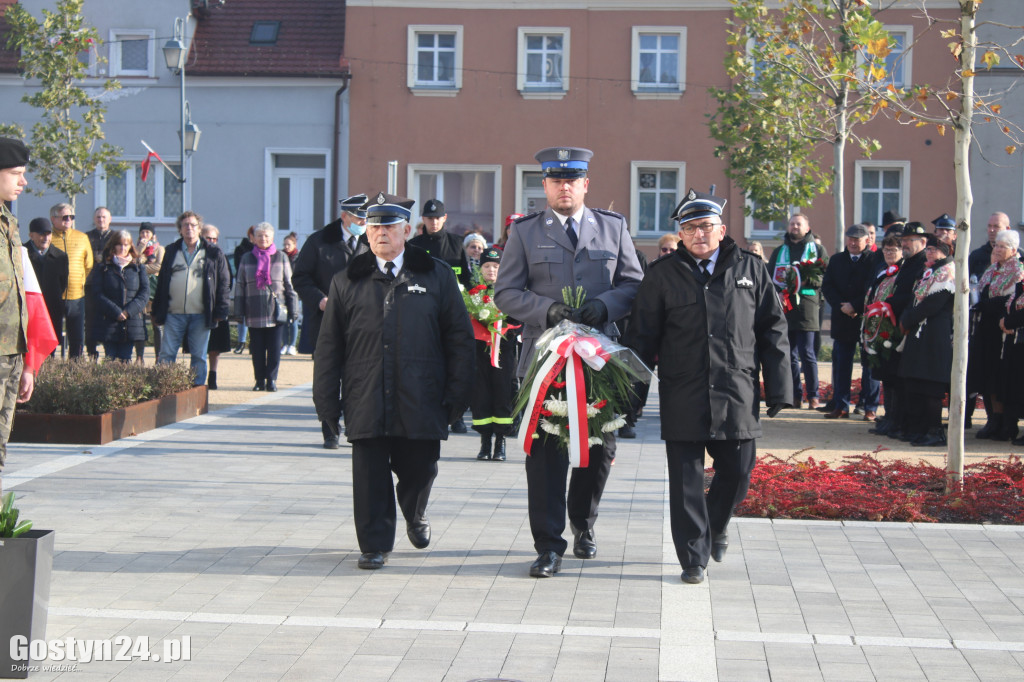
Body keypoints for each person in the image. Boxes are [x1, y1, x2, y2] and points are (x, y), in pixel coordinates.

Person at [624, 189, 791, 584]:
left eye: (705, 226)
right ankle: (692, 558)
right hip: (684, 391)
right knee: (686, 481)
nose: (698, 234)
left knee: (739, 471)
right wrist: (629, 398)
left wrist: (780, 388)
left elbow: (773, 329)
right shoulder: (662, 275)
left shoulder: (750, 268)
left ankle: (716, 525)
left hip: (736, 390)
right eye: (689, 228)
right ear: (680, 234)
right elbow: (642, 338)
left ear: (721, 229)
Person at [493, 146, 643, 578]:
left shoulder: (612, 228)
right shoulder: (524, 232)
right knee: (545, 454)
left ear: (585, 185)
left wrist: (606, 306)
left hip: (599, 361)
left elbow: (634, 283)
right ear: (544, 186)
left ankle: (583, 522)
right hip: (545, 358)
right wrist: (547, 310)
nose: (564, 187)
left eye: (572, 180)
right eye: (556, 180)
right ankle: (548, 545)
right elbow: (506, 292)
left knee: (599, 451)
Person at [312, 192, 474, 570]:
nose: (381, 233)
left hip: (421, 395)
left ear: (406, 230)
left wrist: (458, 393)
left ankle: (414, 511)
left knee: (420, 468)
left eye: (389, 226)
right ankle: (374, 543)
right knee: (369, 474)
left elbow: (459, 339)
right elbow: (329, 347)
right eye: (374, 227)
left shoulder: (436, 275)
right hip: (365, 393)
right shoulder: (346, 281)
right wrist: (326, 403)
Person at [292, 193, 368, 448]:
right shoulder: (319, 241)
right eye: (358, 218)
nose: (363, 222)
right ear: (344, 216)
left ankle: (355, 426)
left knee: (357, 378)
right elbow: (300, 278)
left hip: (360, 323)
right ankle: (330, 427)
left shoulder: (371, 241)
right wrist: (319, 299)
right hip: (325, 322)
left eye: (365, 218)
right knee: (327, 378)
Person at [410, 198, 473, 434]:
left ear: (444, 218)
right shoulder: (414, 245)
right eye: (429, 218)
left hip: (451, 313)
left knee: (453, 361)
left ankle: (456, 415)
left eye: (437, 218)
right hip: (423, 313)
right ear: (423, 219)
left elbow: (466, 279)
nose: (434, 222)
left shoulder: (456, 244)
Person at [0, 138, 41, 490]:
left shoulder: (9, 223)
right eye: (16, 173)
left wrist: (26, 364)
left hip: (11, 352)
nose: (23, 181)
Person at [152, 211, 231, 387]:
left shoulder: (213, 252)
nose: (189, 228)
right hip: (173, 313)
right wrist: (157, 310)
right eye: (185, 225)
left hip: (201, 314)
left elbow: (224, 283)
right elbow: (162, 281)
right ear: (180, 229)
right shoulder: (171, 250)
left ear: (199, 229)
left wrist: (221, 310)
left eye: (193, 225)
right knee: (167, 354)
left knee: (198, 356)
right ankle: (163, 388)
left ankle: (196, 392)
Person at [899, 235, 956, 446]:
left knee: (931, 384)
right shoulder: (928, 271)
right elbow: (914, 298)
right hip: (919, 333)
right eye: (929, 249)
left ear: (945, 252)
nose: (930, 252)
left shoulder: (947, 271)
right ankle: (920, 428)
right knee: (916, 382)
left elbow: (933, 304)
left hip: (935, 334)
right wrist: (906, 317)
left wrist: (908, 319)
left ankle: (934, 431)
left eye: (934, 249)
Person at [768, 213, 828, 409]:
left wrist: (803, 279)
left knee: (807, 353)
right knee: (789, 355)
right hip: (785, 308)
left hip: (807, 307)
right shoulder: (779, 251)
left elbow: (825, 276)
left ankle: (813, 396)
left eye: (798, 224)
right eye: (792, 224)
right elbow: (769, 278)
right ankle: (795, 395)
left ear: (807, 227)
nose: (794, 227)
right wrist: (779, 292)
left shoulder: (817, 250)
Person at [968, 229, 1024, 440]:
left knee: (1002, 377)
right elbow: (981, 291)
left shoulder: (1018, 269)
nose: (998, 249)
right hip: (986, 329)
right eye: (996, 245)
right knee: (988, 375)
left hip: (1004, 330)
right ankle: (993, 420)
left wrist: (985, 305)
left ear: (1013, 250)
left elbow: (1011, 300)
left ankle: (1006, 423)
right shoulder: (992, 269)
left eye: (1003, 246)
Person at [821, 224, 877, 420]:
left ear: (867, 241)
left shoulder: (874, 260)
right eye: (850, 239)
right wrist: (842, 306)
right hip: (842, 317)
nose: (853, 243)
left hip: (866, 318)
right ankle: (841, 405)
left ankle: (870, 407)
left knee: (870, 365)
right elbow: (828, 286)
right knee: (841, 364)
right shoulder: (837, 259)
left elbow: (874, 287)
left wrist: (856, 306)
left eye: (857, 240)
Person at [233, 222, 298, 392]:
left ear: (272, 237)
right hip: (253, 310)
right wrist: (238, 311)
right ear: (253, 238)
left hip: (275, 311)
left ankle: (272, 380)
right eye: (259, 235)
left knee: (274, 349)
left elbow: (289, 285)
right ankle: (259, 380)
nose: (263, 238)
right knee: (257, 350)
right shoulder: (247, 258)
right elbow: (240, 286)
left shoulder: (281, 257)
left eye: (266, 235)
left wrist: (293, 310)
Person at [469, 247, 517, 462]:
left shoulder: (510, 292)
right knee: (481, 393)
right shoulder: (474, 293)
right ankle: (485, 441)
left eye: (496, 267)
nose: (491, 270)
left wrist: (506, 324)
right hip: (480, 351)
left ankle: (500, 441)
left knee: (502, 392)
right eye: (487, 266)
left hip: (504, 350)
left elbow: (518, 318)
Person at [863, 235, 905, 437]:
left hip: (892, 329)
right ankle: (888, 416)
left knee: (892, 375)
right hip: (878, 329)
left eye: (893, 250)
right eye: (886, 250)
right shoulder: (883, 270)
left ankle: (895, 419)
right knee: (884, 376)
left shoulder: (902, 271)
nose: (889, 253)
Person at [87, 230, 148, 362]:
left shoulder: (138, 267)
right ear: (113, 246)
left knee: (125, 359)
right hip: (109, 320)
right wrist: (116, 311)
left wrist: (128, 311)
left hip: (131, 321)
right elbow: (97, 293)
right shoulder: (103, 267)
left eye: (126, 245)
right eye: (119, 244)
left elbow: (144, 293)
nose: (122, 248)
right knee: (110, 359)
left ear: (130, 246)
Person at [49, 202, 93, 358]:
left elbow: (88, 265)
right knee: (51, 336)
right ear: (53, 219)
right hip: (53, 296)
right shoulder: (48, 238)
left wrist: (78, 281)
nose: (68, 220)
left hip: (76, 295)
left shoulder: (82, 237)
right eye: (64, 217)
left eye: (71, 217)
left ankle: (75, 367)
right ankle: (48, 367)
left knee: (76, 337)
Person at [24, 217, 68, 351]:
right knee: (29, 348)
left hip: (51, 308)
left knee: (49, 349)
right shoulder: (22, 254)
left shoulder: (60, 256)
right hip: (28, 309)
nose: (45, 238)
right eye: (41, 234)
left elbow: (63, 283)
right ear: (31, 235)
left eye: (48, 234)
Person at [201, 224, 232, 389]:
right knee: (197, 346)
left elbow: (227, 282)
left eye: (214, 239)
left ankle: (212, 375)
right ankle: (197, 377)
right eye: (208, 238)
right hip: (198, 307)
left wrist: (222, 306)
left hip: (215, 306)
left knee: (215, 347)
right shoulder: (195, 256)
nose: (211, 241)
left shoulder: (221, 256)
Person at [84, 206, 113, 359]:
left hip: (110, 284)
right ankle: (91, 354)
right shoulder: (87, 237)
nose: (101, 220)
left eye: (104, 217)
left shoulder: (116, 237)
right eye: (98, 217)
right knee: (90, 320)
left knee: (109, 319)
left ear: (110, 219)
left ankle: (110, 355)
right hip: (91, 284)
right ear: (94, 219)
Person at [135, 222, 164, 363]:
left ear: (153, 234)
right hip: (140, 290)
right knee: (139, 325)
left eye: (148, 232)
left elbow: (158, 266)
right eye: (142, 232)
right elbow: (133, 261)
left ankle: (159, 357)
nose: (145, 234)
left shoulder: (160, 249)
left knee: (157, 325)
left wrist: (141, 268)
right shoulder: (136, 248)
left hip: (155, 290)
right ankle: (139, 356)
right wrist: (141, 248)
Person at [232, 226, 256, 354]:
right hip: (244, 284)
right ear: (250, 235)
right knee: (242, 315)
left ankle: (253, 342)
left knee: (254, 316)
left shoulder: (262, 249)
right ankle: (241, 342)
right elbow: (238, 266)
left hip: (257, 287)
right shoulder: (240, 249)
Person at [281, 231, 300, 356]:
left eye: (289, 244)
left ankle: (292, 345)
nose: (286, 247)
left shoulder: (299, 257)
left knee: (293, 319)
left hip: (295, 292)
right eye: (285, 244)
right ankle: (285, 344)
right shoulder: (280, 256)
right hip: (282, 291)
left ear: (294, 245)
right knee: (283, 318)